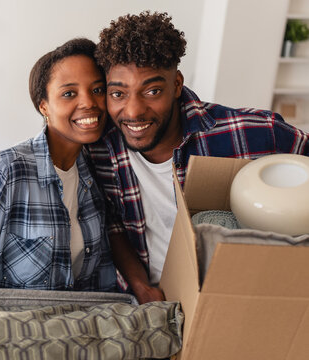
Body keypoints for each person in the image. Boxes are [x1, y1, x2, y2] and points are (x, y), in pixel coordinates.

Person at [86, 11, 309, 304]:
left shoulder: (253, 132)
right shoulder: (102, 149)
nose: (133, 111)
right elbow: (112, 223)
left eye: (152, 91)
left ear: (177, 85)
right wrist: (140, 285)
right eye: (118, 94)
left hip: (239, 295)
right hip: (152, 303)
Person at [0, 38, 118, 359]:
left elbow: (101, 286)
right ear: (43, 106)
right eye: (69, 93)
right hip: (1, 346)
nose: (89, 102)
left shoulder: (96, 175)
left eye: (97, 89)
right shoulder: (7, 170)